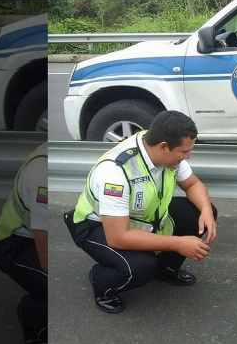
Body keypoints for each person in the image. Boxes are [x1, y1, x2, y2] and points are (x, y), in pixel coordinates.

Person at [64, 111, 217, 314]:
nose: (188, 156)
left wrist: (206, 210)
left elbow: (193, 184)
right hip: (97, 226)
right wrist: (179, 244)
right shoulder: (115, 172)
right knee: (141, 266)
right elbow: (118, 237)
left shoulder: (160, 146)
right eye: (184, 152)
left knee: (199, 213)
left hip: (141, 218)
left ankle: (164, 268)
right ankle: (102, 283)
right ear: (163, 147)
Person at [0, 142, 48, 344]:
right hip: (14, 243)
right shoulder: (43, 177)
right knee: (61, 289)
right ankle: (33, 322)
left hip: (35, 233)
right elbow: (47, 261)